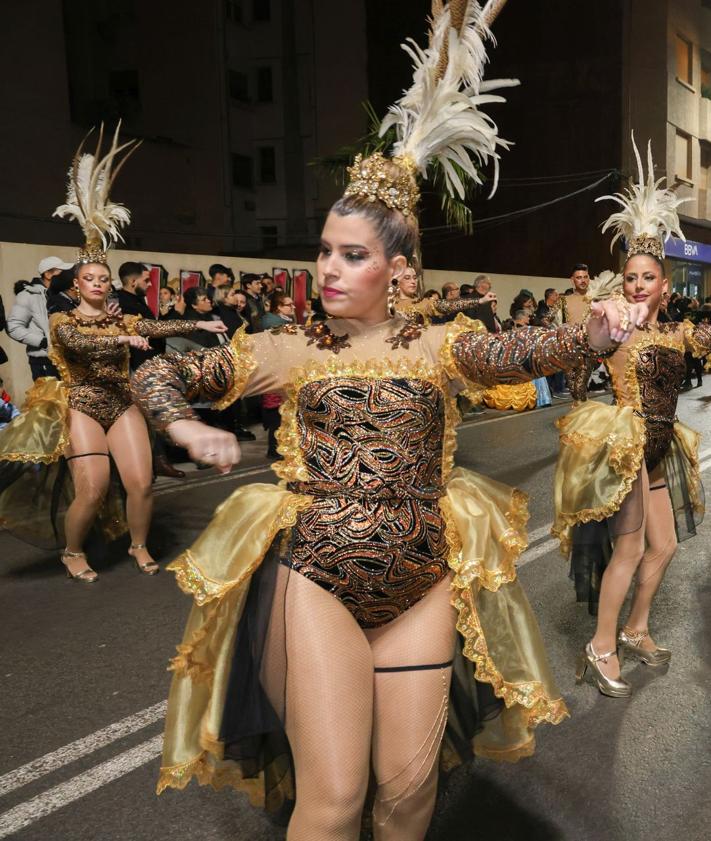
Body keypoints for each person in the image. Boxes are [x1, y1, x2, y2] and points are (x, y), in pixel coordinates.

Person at [132, 9, 645, 838]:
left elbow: (522, 349)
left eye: (351, 254)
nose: (327, 268)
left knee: (407, 798)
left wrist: (589, 332)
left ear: (397, 270)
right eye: (324, 250)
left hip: (419, 581)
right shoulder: (287, 346)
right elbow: (158, 369)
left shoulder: (444, 345)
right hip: (315, 578)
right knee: (331, 802)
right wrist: (183, 428)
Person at [0, 125, 227, 581]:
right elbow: (78, 344)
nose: (99, 284)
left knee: (142, 483)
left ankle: (139, 546)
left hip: (123, 402)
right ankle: (71, 550)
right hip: (82, 404)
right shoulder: (63, 320)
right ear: (77, 285)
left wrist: (199, 322)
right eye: (90, 279)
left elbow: (156, 324)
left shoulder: (124, 316)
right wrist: (121, 341)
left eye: (104, 278)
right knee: (93, 488)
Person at [552, 137, 710, 697]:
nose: (638, 286)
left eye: (648, 279)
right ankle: (600, 646)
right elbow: (586, 344)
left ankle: (637, 629)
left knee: (666, 546)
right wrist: (602, 320)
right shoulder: (617, 325)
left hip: (662, 448)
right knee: (632, 547)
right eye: (630, 279)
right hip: (626, 450)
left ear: (666, 287)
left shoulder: (677, 331)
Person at [6, 255, 74, 379]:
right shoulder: (28, 295)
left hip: (66, 359)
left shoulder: (63, 295)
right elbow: (13, 326)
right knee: (48, 398)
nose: (65, 276)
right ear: (48, 274)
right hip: (44, 361)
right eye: (60, 272)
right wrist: (42, 341)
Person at [260, 291, 296, 458]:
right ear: (278, 307)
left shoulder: (286, 322)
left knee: (285, 411)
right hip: (275, 373)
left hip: (285, 371)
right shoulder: (273, 324)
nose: (293, 307)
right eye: (289, 305)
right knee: (276, 411)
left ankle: (282, 445)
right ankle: (274, 448)